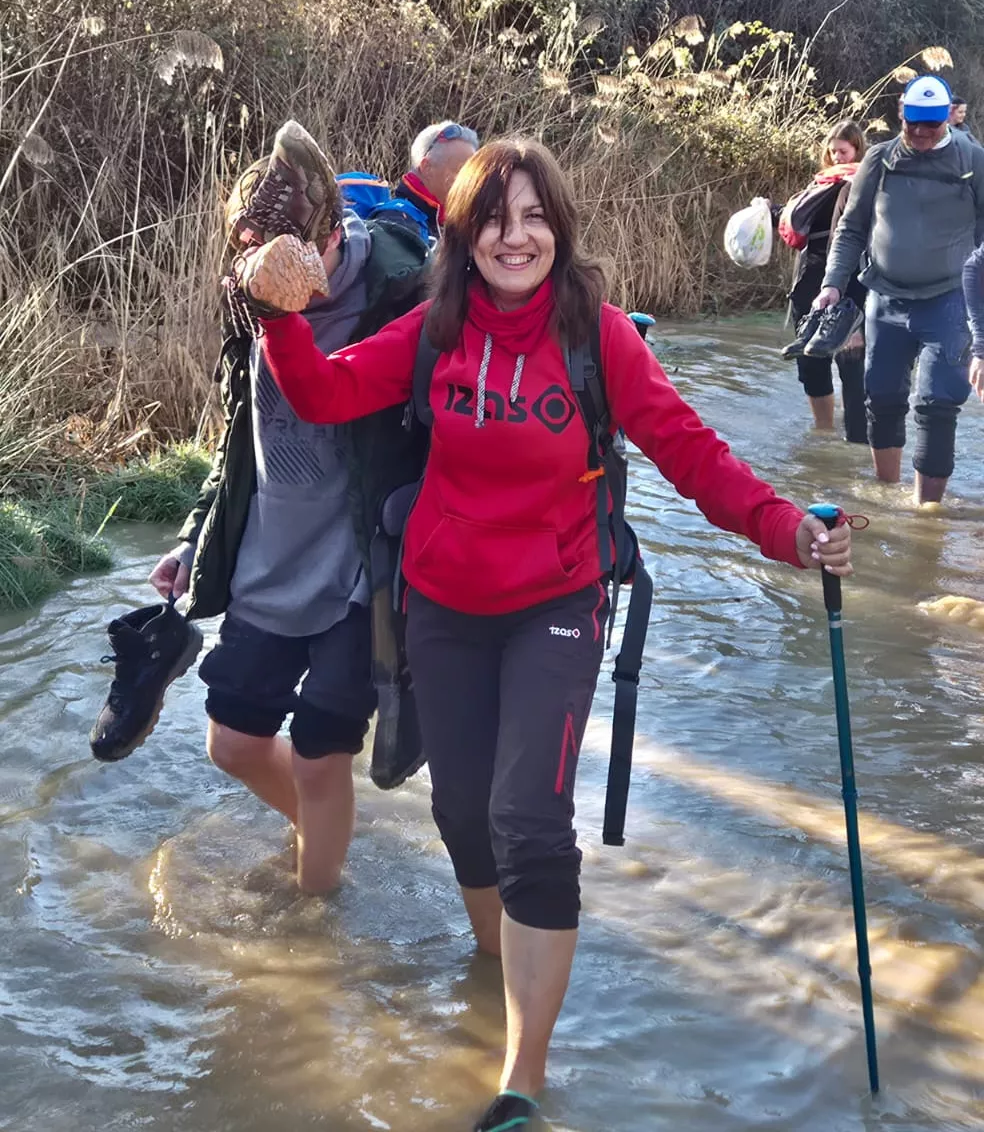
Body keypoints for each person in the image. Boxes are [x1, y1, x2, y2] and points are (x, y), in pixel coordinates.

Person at [237, 137, 852, 1132]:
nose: (514, 235)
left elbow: (691, 453)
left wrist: (789, 529)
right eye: (493, 218)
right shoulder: (434, 328)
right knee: (462, 817)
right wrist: (279, 315)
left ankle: (520, 1078)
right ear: (464, 234)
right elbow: (325, 392)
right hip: (440, 601)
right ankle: (498, 963)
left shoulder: (598, 337)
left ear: (558, 230)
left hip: (557, 602)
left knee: (528, 819)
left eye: (533, 217)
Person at [106, 123, 427, 894]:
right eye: (254, 257)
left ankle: (318, 905)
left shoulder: (401, 293)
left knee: (322, 753)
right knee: (233, 743)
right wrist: (195, 540)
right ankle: (323, 830)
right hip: (268, 556)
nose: (274, 274)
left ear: (327, 235)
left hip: (360, 569)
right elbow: (236, 445)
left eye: (290, 252)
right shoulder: (244, 301)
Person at [815, 75, 984, 505]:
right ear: (900, 115)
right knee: (883, 396)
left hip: (949, 301)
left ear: (948, 116)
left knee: (935, 403)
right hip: (886, 299)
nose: (923, 133)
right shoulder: (879, 160)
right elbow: (852, 228)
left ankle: (926, 515)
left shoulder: (973, 161)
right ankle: (887, 495)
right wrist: (833, 284)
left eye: (932, 124)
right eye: (914, 124)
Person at [779, 121, 867, 441]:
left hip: (851, 289)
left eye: (843, 151)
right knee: (811, 368)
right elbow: (795, 221)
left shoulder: (868, 186)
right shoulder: (819, 186)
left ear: (858, 150)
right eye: (831, 152)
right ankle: (823, 437)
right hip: (809, 285)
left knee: (853, 370)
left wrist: (860, 312)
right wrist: (768, 210)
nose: (836, 157)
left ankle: (857, 443)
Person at [394, 120, 480, 238]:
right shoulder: (397, 222)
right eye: (461, 171)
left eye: (473, 173)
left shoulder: (451, 223)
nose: (471, 181)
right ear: (427, 167)